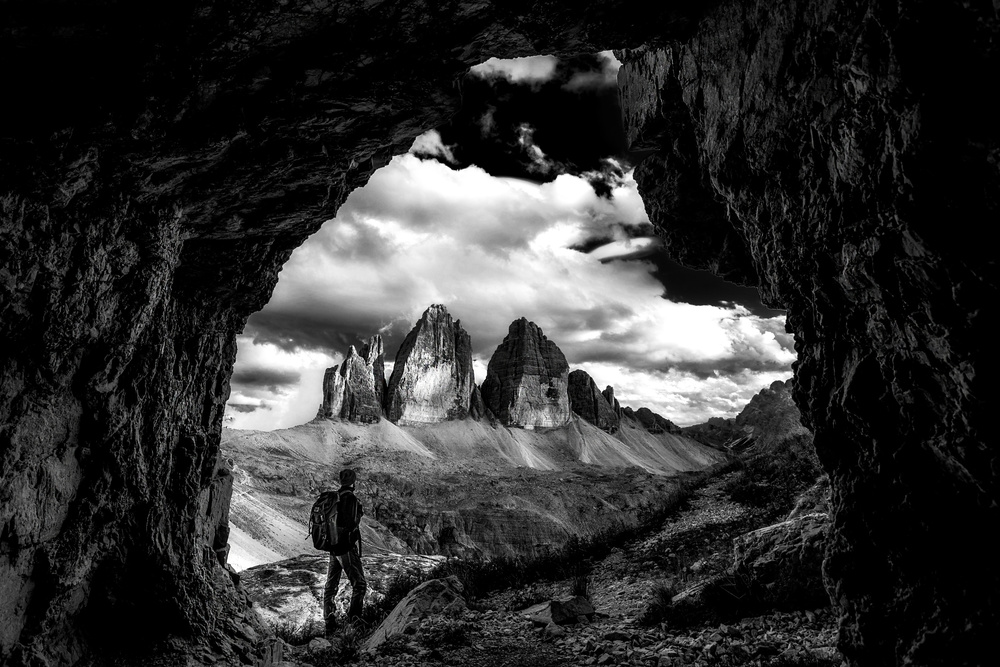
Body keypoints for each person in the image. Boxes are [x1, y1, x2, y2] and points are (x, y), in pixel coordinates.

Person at [323, 468, 367, 635]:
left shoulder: (334, 498)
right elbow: (350, 524)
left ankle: (330, 625)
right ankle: (354, 623)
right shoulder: (351, 499)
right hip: (346, 549)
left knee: (331, 586)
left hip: (333, 548)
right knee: (360, 584)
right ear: (353, 482)